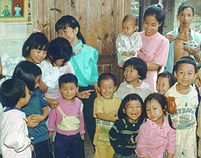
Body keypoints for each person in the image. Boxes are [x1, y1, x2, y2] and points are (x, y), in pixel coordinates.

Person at [55, 15, 99, 144]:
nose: (62, 35)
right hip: (68, 91)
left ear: (75, 30)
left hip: (88, 90)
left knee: (91, 122)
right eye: (59, 32)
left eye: (65, 31)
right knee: (70, 123)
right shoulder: (61, 54)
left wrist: (96, 86)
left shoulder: (91, 51)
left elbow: (94, 72)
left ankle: (97, 150)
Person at [12, 61, 53, 158]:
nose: (39, 85)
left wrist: (42, 117)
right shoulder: (16, 100)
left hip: (43, 136)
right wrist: (26, 124)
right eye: (37, 81)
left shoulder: (37, 92)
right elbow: (13, 121)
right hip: (28, 141)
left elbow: (45, 108)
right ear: (27, 80)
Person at [165, 56, 198, 157]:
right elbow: (169, 113)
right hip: (176, 132)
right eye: (181, 73)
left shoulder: (194, 91)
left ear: (195, 75)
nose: (185, 77)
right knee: (175, 154)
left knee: (190, 154)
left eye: (189, 73)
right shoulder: (170, 94)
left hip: (190, 131)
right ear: (175, 74)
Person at [48, 73, 85, 158]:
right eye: (65, 89)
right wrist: (50, 130)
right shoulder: (56, 103)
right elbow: (52, 117)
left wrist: (82, 131)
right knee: (60, 155)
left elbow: (81, 118)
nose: (68, 92)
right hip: (61, 137)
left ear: (77, 89)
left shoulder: (79, 103)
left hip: (76, 136)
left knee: (77, 155)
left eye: (71, 89)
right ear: (60, 89)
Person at [137, 3, 169, 89]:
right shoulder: (136, 36)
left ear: (160, 24)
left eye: (153, 25)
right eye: (146, 23)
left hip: (148, 82)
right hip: (130, 80)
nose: (149, 27)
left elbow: (155, 66)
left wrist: (134, 66)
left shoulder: (163, 42)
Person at [136, 93, 176, 158]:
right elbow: (141, 148)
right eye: (148, 110)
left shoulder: (169, 123)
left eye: (155, 108)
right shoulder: (144, 128)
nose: (151, 112)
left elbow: (171, 144)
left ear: (164, 108)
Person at [165, 2, 201, 73]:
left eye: (189, 15)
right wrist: (164, 42)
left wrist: (195, 54)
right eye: (182, 15)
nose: (185, 18)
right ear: (177, 17)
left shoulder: (198, 38)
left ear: (193, 17)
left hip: (191, 77)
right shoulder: (169, 37)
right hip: (172, 75)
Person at [0, 78, 32, 158]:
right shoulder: (17, 116)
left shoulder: (6, 112)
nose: (30, 93)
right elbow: (10, 139)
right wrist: (27, 141)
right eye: (28, 92)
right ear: (21, 99)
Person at [93, 73, 121, 158]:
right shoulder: (98, 101)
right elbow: (99, 115)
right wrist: (115, 118)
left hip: (114, 138)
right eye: (104, 88)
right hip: (101, 139)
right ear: (98, 88)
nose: (107, 90)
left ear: (115, 88)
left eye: (110, 88)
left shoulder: (118, 101)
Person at [109, 94, 145, 158]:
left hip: (138, 153)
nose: (134, 109)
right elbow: (112, 135)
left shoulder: (143, 123)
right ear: (124, 110)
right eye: (130, 107)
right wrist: (118, 148)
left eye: (138, 106)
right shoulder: (120, 124)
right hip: (122, 154)